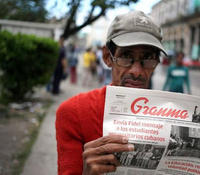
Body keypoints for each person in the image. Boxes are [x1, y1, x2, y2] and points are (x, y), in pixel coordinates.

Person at [56, 10, 167, 175]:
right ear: (107, 57)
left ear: (157, 63)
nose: (136, 71)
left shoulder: (172, 114)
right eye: (126, 56)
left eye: (148, 58)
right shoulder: (74, 112)